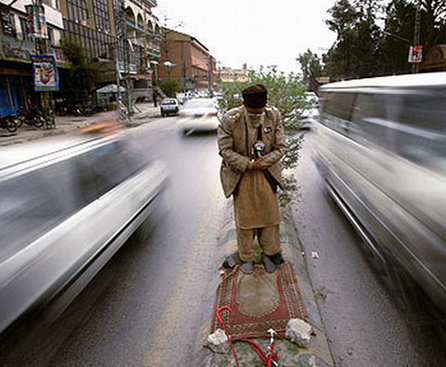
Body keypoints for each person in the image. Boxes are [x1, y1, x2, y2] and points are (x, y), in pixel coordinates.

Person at [218, 84, 287, 274]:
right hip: (242, 175)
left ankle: (269, 253)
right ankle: (246, 256)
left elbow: (281, 147)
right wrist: (248, 164)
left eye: (260, 112)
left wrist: (264, 162)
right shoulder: (231, 119)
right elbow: (225, 150)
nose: (257, 117)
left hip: (267, 174)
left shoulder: (274, 116)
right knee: (246, 220)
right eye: (252, 113)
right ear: (244, 105)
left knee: (270, 217)